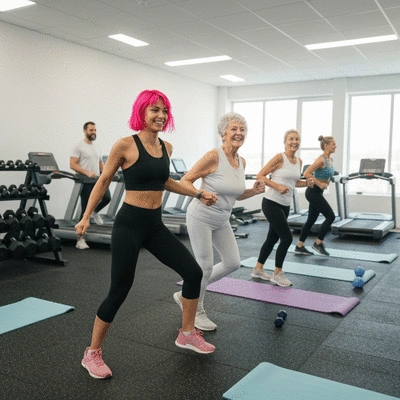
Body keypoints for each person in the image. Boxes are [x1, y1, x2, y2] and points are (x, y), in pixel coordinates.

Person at [75, 89, 217, 380]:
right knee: (120, 289)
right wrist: (86, 216)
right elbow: (103, 181)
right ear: (141, 112)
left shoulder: (167, 147)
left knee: (193, 272)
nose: (160, 116)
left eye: (164, 111)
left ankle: (187, 333)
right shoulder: (125, 145)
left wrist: (197, 192)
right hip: (129, 224)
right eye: (154, 110)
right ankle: (92, 353)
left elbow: (165, 181)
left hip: (154, 224)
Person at [173, 112, 265, 331]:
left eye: (242, 130)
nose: (239, 133)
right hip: (200, 217)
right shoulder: (213, 156)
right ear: (223, 133)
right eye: (234, 129)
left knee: (232, 262)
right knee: (204, 266)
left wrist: (253, 191)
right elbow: (185, 181)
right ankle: (197, 310)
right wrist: (199, 194)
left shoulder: (241, 161)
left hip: (222, 219)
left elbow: (235, 194)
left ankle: (186, 292)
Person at [251, 129, 314, 287]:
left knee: (272, 238)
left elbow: (294, 182)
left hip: (285, 205)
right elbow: (261, 175)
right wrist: (277, 186)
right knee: (286, 238)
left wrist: (307, 183)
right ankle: (277, 273)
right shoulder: (280, 158)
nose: (294, 142)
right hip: (271, 202)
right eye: (291, 139)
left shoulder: (299, 161)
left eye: (297, 139)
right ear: (285, 141)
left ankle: (258, 269)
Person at [70, 121, 111, 249]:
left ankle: (95, 211)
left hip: (97, 180)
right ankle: (80, 239)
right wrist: (87, 173)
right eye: (91, 130)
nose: (93, 132)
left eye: (95, 130)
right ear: (85, 131)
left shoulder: (96, 146)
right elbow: (73, 164)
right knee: (84, 211)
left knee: (107, 198)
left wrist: (105, 173)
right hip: (85, 181)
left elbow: (100, 162)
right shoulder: (78, 146)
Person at [294, 135, 337, 257]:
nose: (335, 146)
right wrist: (319, 183)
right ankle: (318, 243)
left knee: (311, 220)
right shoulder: (321, 160)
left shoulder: (330, 160)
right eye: (333, 144)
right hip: (313, 191)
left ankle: (299, 246)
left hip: (318, 192)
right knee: (331, 216)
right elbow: (306, 173)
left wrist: (327, 181)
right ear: (326, 145)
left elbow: (326, 174)